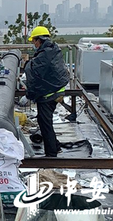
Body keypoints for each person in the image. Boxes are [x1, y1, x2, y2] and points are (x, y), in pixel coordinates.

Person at [24, 26, 69, 157]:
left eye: (34, 41)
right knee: (44, 120)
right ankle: (56, 146)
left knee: (45, 124)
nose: (34, 44)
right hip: (57, 91)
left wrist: (29, 95)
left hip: (49, 94)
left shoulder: (44, 55)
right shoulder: (52, 49)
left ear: (40, 40)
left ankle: (51, 154)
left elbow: (33, 75)